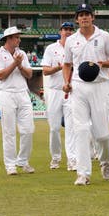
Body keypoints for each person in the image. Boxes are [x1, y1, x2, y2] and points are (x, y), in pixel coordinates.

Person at [62, 3, 109, 186]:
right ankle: (83, 173)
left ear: (93, 17)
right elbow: (67, 64)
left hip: (99, 86)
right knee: (81, 130)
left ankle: (105, 161)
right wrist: (66, 82)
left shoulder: (104, 36)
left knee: (102, 134)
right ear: (76, 19)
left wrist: (103, 63)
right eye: (81, 15)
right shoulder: (71, 40)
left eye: (87, 14)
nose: (84, 17)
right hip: (78, 87)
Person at [0, 26, 35, 176]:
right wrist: (14, 64)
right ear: (9, 38)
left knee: (28, 130)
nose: (19, 39)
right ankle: (10, 165)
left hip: (23, 93)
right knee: (9, 131)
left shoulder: (21, 53)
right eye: (17, 37)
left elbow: (29, 74)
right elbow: (0, 76)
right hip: (6, 94)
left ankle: (22, 161)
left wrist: (20, 64)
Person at [41, 21, 77, 171]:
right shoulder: (51, 48)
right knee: (54, 128)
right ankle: (56, 158)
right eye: (65, 29)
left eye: (70, 29)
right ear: (60, 31)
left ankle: (72, 159)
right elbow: (45, 71)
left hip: (71, 90)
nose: (68, 32)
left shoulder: (76, 47)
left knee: (71, 127)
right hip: (55, 91)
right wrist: (58, 67)